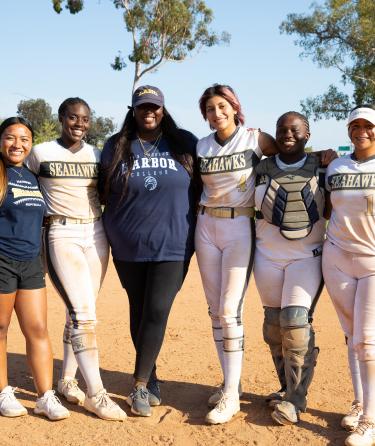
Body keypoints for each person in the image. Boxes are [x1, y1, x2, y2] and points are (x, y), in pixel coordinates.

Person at [100, 85, 199, 417]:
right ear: (133, 110)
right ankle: (152, 375)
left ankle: (139, 384)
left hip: (174, 242)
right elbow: (101, 189)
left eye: (154, 106)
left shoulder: (184, 142)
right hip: (128, 244)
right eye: (142, 107)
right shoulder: (116, 145)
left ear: (163, 109)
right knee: (139, 309)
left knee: (157, 309)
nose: (149, 112)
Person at [26, 98, 126, 421]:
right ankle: (96, 393)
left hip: (95, 234)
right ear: (61, 118)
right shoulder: (40, 152)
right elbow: (16, 178)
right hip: (60, 232)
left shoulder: (96, 154)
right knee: (84, 315)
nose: (79, 124)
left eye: (84, 119)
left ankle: (67, 380)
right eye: (73, 117)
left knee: (80, 312)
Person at [195, 84, 280, 425]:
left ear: (234, 106)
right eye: (210, 109)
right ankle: (231, 383)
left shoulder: (255, 139)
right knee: (216, 311)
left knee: (231, 311)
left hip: (240, 226)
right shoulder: (201, 145)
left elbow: (290, 158)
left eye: (222, 106)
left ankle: (231, 397)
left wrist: (325, 158)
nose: (217, 113)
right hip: (206, 227)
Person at [253, 111, 326, 425]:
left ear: (307, 135)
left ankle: (296, 399)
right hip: (267, 255)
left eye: (295, 129)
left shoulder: (324, 167)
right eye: (282, 129)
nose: (288, 134)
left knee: (295, 322)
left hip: (306, 256)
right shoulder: (259, 167)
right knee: (273, 327)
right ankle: (286, 388)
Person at [0, 117, 69, 421]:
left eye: (25, 139)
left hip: (30, 263)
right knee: (0, 329)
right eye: (11, 138)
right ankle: (3, 392)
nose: (18, 144)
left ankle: (45, 396)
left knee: (38, 329)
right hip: (1, 260)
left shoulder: (32, 176)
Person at [322, 104, 375, 446]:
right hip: (337, 256)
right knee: (350, 335)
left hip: (373, 260)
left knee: (367, 341)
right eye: (356, 126)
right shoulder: (336, 166)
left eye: (368, 126)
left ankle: (370, 421)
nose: (362, 131)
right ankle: (359, 404)